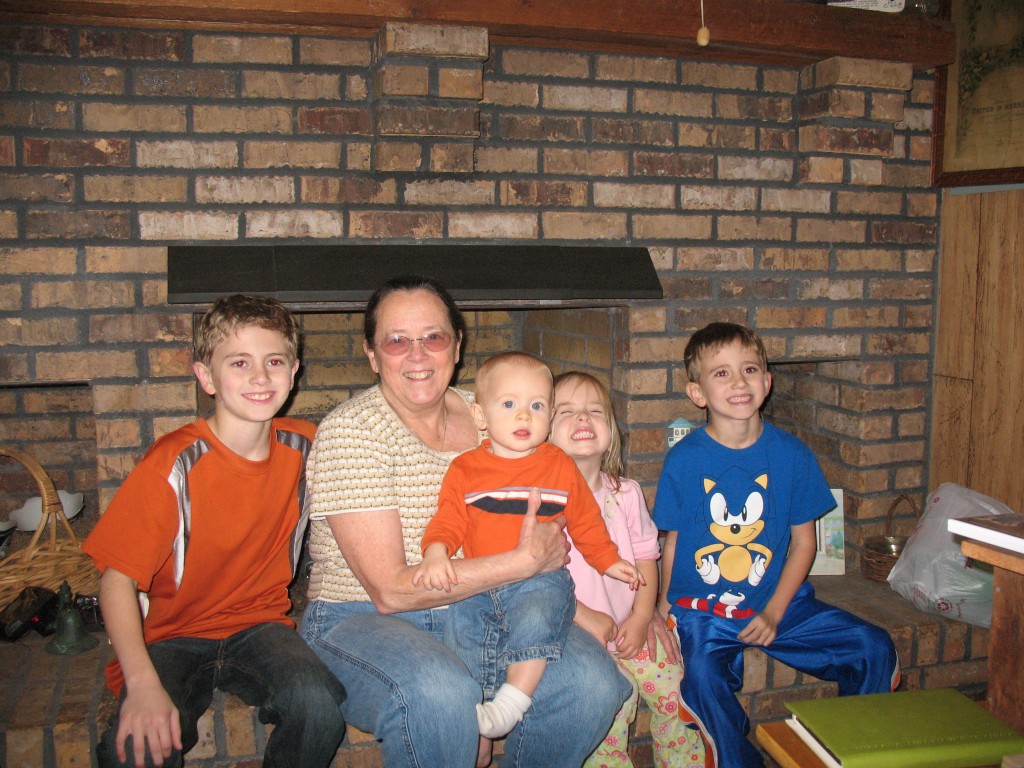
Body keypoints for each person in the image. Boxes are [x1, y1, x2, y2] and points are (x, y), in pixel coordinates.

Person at [300, 275, 632, 768]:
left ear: (456, 346)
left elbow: (563, 502)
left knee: (594, 685)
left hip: (482, 607)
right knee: (442, 693)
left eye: (433, 337)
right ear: (372, 355)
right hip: (360, 618)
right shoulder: (353, 432)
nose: (417, 354)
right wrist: (523, 563)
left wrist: (601, 601)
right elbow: (390, 592)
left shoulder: (496, 413)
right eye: (397, 340)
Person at [84, 294, 347, 768]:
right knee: (137, 749)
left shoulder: (308, 447)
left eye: (274, 361)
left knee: (319, 704)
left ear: (293, 372)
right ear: (206, 377)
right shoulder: (174, 463)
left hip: (260, 627)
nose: (260, 377)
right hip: (171, 635)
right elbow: (116, 580)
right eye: (239, 363)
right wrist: (141, 684)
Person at [653, 322, 900, 768]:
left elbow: (804, 543)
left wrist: (773, 611)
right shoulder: (684, 460)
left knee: (873, 646)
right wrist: (664, 607)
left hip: (779, 602)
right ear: (697, 393)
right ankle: (739, 760)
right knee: (702, 679)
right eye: (722, 373)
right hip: (704, 610)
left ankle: (848, 751)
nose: (739, 382)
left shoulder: (792, 455)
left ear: (767, 382)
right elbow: (674, 541)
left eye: (749, 369)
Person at [415, 353, 642, 762]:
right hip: (480, 582)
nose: (524, 415)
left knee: (538, 619)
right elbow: (448, 520)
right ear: (480, 416)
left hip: (541, 579)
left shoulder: (558, 465)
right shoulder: (466, 469)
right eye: (509, 404)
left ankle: (512, 701)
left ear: (548, 416)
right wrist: (435, 553)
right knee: (463, 634)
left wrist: (607, 560)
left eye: (536, 405)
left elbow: (587, 521)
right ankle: (478, 726)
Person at [551, 371, 706, 768]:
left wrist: (641, 615)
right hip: (576, 636)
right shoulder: (544, 503)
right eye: (566, 411)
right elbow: (539, 581)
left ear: (611, 430)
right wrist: (585, 619)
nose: (583, 418)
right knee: (611, 710)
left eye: (595, 411)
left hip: (630, 626)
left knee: (679, 693)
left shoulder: (627, 494)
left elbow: (646, 558)